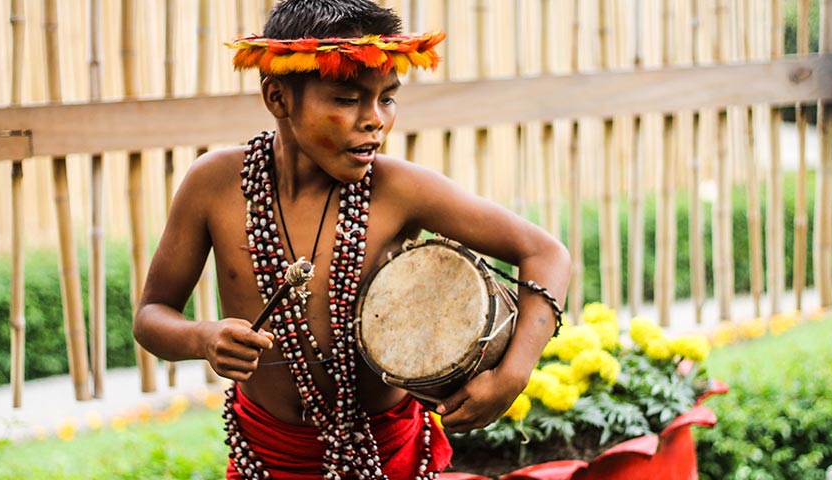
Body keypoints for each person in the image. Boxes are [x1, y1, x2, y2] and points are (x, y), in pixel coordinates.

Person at [133, 1, 571, 478]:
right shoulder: (215, 185)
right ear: (278, 98)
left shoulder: (398, 189)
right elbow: (151, 316)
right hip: (267, 455)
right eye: (347, 99)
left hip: (388, 454)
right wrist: (202, 337)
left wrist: (511, 377)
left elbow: (545, 253)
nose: (375, 119)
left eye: (387, 98)